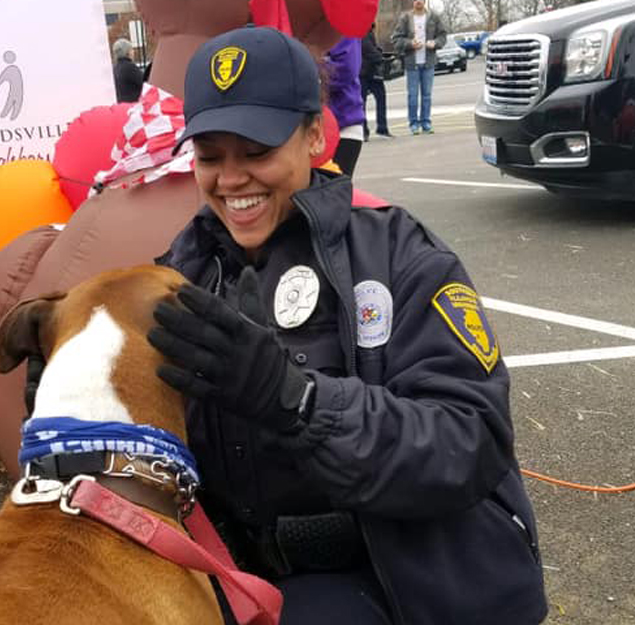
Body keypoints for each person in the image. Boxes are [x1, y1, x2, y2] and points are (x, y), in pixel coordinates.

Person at [146, 25, 548, 625]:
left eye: (256, 152)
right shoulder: (182, 272)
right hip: (234, 576)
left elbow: (469, 443)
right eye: (210, 157)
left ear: (313, 135)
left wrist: (298, 400)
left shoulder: (403, 257)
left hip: (397, 577)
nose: (231, 181)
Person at [390, 0, 447, 134]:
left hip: (429, 62)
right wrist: (410, 43)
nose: (418, 2)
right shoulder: (405, 18)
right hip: (412, 64)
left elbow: (443, 35)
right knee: (413, 96)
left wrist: (436, 43)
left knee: (427, 95)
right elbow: (396, 39)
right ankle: (413, 124)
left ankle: (426, 123)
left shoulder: (433, 17)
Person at [323, 37, 365, 177]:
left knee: (332, 193)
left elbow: (345, 69)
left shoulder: (344, 27)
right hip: (308, 130)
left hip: (343, 126)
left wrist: (304, 72)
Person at [359, 24, 392, 140]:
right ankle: (364, 130)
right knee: (361, 103)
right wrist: (380, 57)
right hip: (363, 72)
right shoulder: (361, 30)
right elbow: (367, 49)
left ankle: (381, 128)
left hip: (372, 71)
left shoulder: (369, 31)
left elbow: (372, 48)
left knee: (380, 98)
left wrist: (379, 53)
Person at [112, 38, 144, 103]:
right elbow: (146, 83)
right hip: (133, 105)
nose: (133, 52)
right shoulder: (130, 67)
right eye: (131, 49)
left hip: (121, 106)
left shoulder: (115, 68)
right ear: (127, 52)